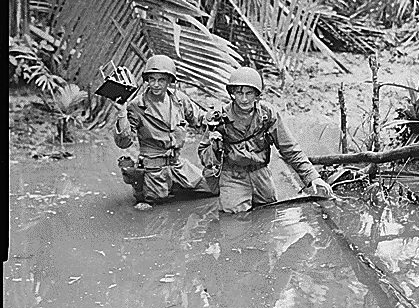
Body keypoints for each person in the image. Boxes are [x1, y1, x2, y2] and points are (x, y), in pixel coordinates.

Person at [198, 66, 333, 213]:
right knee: (234, 222)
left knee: (268, 215)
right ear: (232, 94)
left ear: (257, 94)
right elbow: (204, 156)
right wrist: (215, 148)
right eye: (239, 92)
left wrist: (313, 177)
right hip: (232, 177)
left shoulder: (267, 115)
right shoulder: (218, 118)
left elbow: (290, 149)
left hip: (261, 175)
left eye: (249, 93)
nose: (244, 99)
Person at [113, 54, 214, 210]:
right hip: (154, 168)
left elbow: (200, 119)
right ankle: (142, 187)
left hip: (177, 165)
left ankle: (175, 186)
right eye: (152, 79)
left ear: (169, 81)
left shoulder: (179, 100)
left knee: (213, 189)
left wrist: (215, 117)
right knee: (153, 205)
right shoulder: (136, 106)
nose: (156, 84)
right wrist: (121, 113)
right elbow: (124, 142)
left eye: (161, 80)